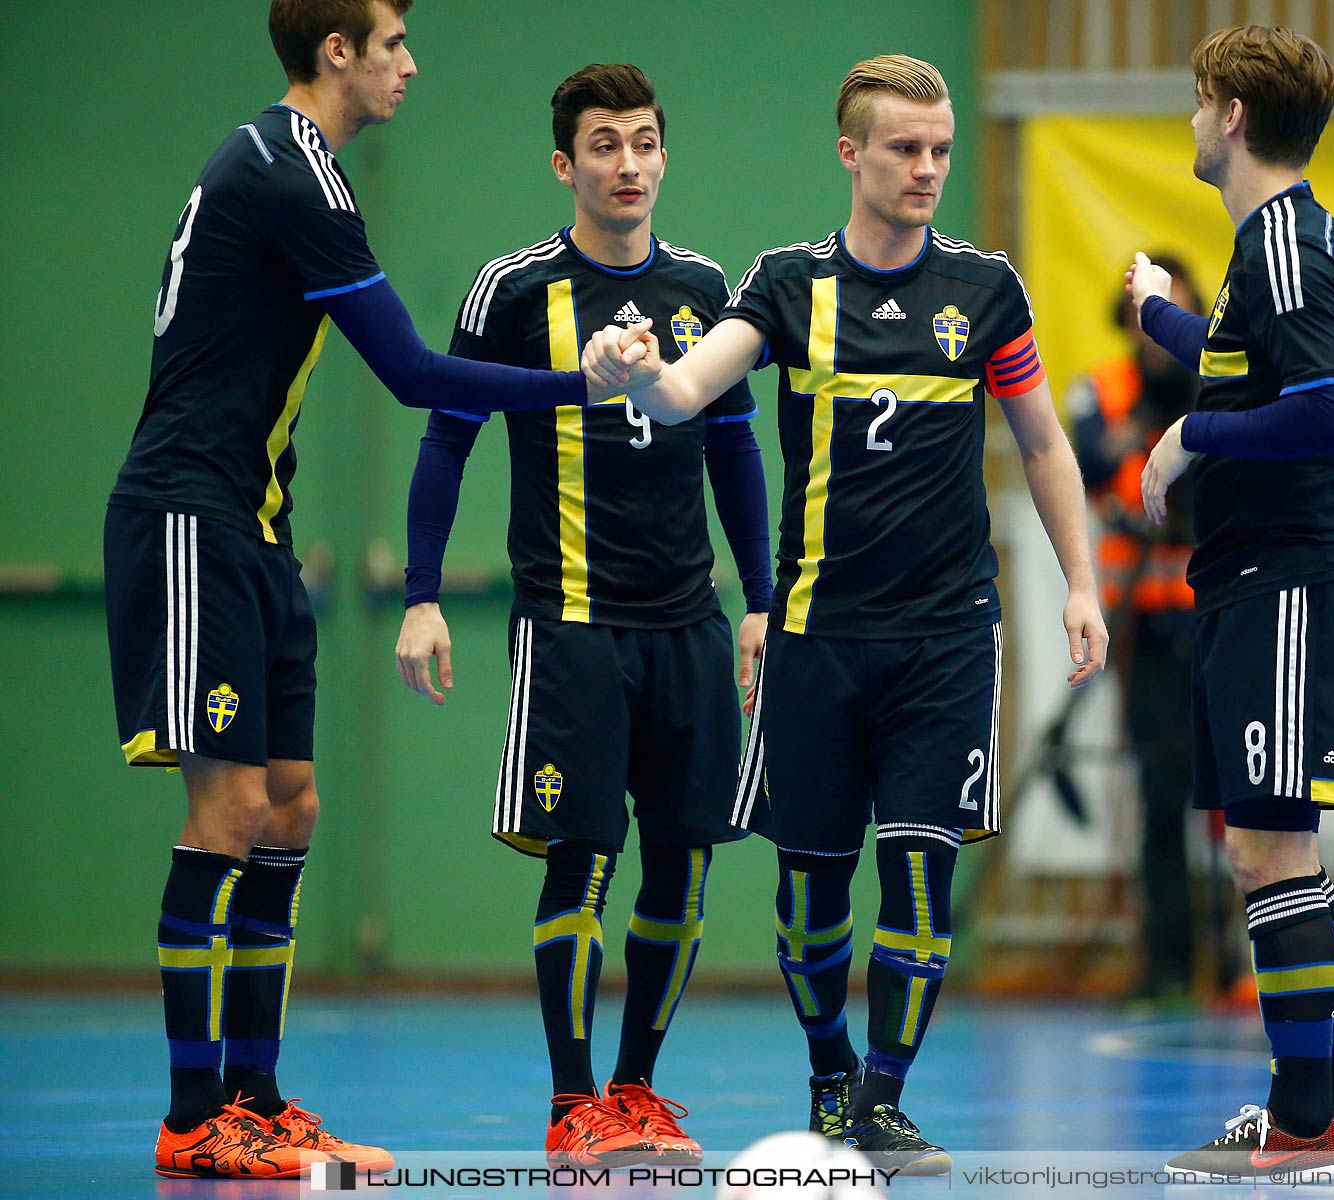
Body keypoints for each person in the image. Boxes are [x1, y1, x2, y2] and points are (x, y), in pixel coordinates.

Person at [105, 1, 616, 1179]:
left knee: (291, 808)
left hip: (255, 524)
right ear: (338, 51)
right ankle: (195, 1118)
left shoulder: (304, 167)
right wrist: (584, 386)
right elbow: (411, 374)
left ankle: (260, 1096)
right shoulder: (292, 173)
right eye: (394, 44)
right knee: (227, 816)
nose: (410, 65)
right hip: (191, 515)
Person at [583, 54, 1107, 1175]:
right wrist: (628, 368)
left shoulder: (985, 289)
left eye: (940, 151)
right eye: (905, 149)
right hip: (816, 640)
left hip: (948, 638)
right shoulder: (784, 284)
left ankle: (882, 1097)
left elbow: (1044, 443)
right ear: (852, 154)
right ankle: (828, 1074)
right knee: (811, 884)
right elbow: (686, 391)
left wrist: (1081, 582)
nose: (926, 169)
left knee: (919, 870)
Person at [392, 63, 770, 1165]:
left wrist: (757, 602)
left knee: (687, 858)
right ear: (567, 165)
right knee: (586, 854)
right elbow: (445, 443)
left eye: (645, 142)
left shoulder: (705, 289)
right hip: (568, 624)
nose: (629, 164)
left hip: (690, 624)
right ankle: (573, 1107)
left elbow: (739, 450)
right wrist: (421, 598)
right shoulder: (512, 292)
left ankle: (637, 1091)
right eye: (604, 145)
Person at [1129, 25, 1334, 1178]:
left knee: (1268, 855)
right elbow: (1247, 361)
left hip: (1288, 580)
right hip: (1251, 583)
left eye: (1197, 101)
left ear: (1232, 115)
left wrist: (1190, 434)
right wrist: (1160, 322)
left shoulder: (1286, 243)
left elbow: (1328, 411)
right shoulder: (1264, 247)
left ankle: (1297, 1127)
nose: (1191, 118)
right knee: (1279, 855)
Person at [1069, 254, 1203, 1008]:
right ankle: (1168, 961)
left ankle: (1241, 961)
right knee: (1159, 796)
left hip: (1214, 615)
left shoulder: (1222, 379)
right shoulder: (1105, 386)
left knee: (1243, 804)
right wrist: (1142, 432)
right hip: (1145, 625)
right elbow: (1084, 455)